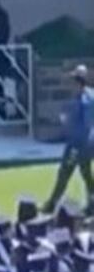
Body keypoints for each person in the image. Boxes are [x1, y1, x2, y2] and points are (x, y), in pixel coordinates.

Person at [44, 64, 94, 215]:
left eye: (73, 81)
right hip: (87, 144)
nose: (71, 84)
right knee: (86, 174)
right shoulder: (90, 95)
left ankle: (52, 204)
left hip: (77, 144)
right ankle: (92, 204)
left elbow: (85, 124)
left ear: (78, 82)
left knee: (64, 173)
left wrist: (66, 122)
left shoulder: (83, 101)